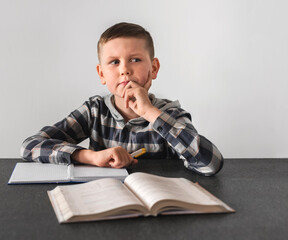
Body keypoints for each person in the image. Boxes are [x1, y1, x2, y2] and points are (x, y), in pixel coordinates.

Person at [20, 22, 223, 176]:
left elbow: (210, 163)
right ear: (101, 74)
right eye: (114, 62)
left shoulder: (168, 114)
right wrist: (90, 156)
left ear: (154, 68)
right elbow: (30, 146)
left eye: (135, 60)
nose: (124, 69)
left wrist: (149, 113)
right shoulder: (95, 111)